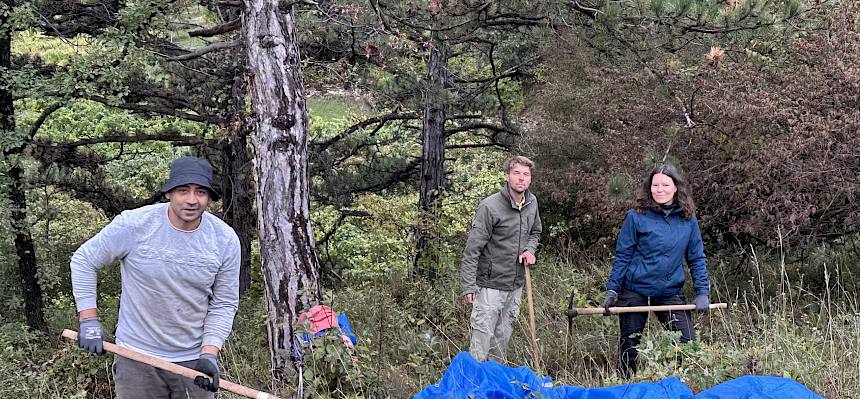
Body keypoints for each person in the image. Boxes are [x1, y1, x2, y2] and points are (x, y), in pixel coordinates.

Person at [71, 156, 241, 398]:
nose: (192, 200)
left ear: (210, 198)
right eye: (183, 191)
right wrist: (88, 320)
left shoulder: (224, 240)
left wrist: (210, 353)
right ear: (169, 193)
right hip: (136, 358)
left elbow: (224, 302)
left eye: (201, 192)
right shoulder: (135, 225)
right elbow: (84, 260)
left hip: (193, 361)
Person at [602, 163, 710, 378]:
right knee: (630, 347)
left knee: (687, 344)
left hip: (668, 291)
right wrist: (613, 289)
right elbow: (623, 255)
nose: (659, 189)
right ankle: (626, 385)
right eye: (655, 185)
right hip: (636, 289)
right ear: (649, 187)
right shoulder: (637, 216)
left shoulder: (687, 218)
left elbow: (696, 257)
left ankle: (684, 384)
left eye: (665, 184)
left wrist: (702, 292)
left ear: (676, 187)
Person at [460, 155, 542, 362]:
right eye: (516, 173)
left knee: (502, 339)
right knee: (482, 339)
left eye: (526, 174)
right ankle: (473, 388)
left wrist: (530, 250)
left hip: (516, 284)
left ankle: (494, 385)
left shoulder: (532, 203)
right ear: (507, 176)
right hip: (490, 285)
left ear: (530, 179)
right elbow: (472, 249)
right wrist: (468, 286)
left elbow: (535, 232)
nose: (521, 179)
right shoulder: (490, 206)